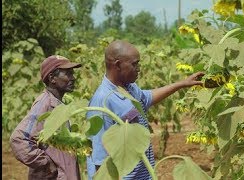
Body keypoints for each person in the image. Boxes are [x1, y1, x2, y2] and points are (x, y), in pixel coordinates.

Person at [86, 40, 204, 179]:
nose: (139, 68)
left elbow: (147, 98)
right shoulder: (103, 101)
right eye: (134, 64)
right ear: (117, 65)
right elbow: (99, 158)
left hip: (143, 174)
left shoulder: (129, 88)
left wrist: (183, 84)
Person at [10, 55, 82, 180]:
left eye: (72, 74)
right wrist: (48, 164)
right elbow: (19, 139)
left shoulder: (57, 104)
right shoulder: (45, 103)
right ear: (52, 78)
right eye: (68, 74)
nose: (73, 78)